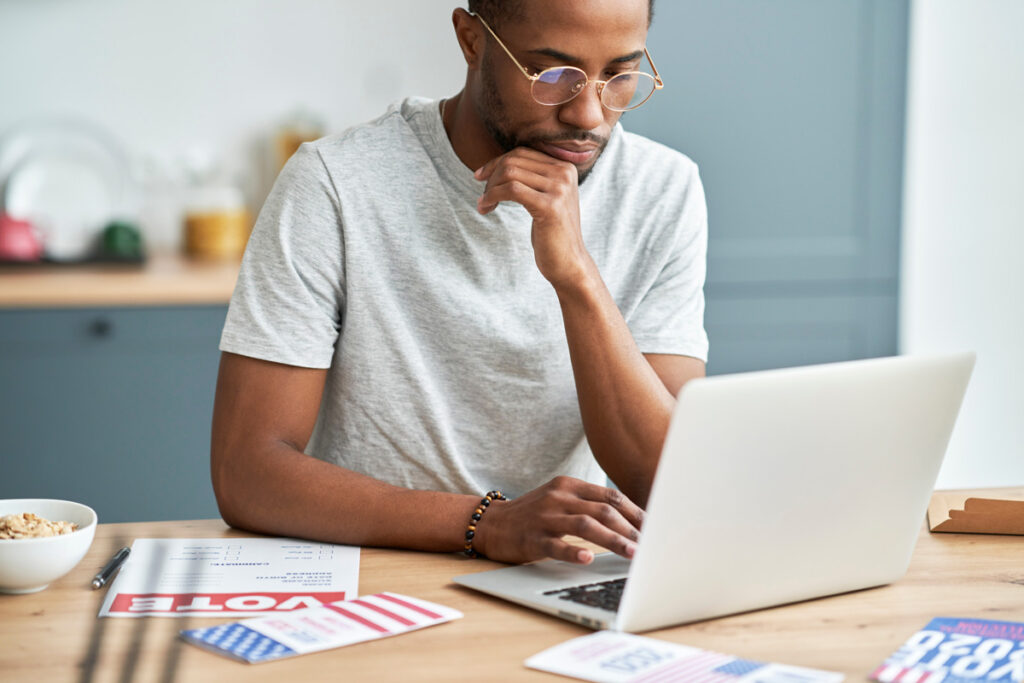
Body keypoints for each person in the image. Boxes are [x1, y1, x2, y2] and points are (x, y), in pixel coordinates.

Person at [211, 0, 708, 567]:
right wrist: (489, 524)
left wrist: (576, 277)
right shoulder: (336, 183)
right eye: (553, 75)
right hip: (382, 569)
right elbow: (246, 472)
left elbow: (671, 482)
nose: (590, 116)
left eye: (619, 75)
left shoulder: (665, 190)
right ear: (472, 40)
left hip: (570, 570)